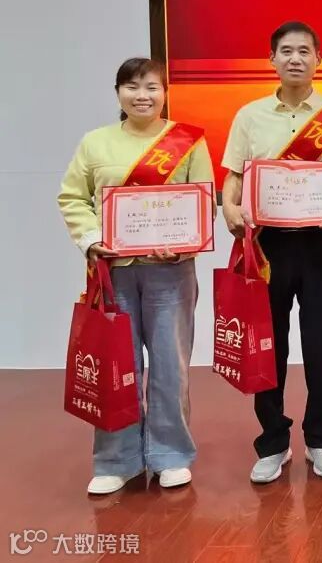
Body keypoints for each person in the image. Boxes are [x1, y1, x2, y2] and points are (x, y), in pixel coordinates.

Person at [220, 21, 322, 484]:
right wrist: (230, 207)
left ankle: (321, 438)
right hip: (269, 245)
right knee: (268, 345)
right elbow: (234, 175)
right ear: (272, 59)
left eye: (305, 51)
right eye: (286, 51)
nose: (295, 59)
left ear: (319, 59)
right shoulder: (250, 116)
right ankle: (272, 441)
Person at [58, 57, 213, 495]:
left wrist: (183, 244)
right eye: (132, 86)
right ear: (118, 93)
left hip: (171, 272)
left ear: (165, 93)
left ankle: (171, 455)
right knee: (116, 365)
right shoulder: (95, 143)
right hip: (113, 273)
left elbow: (203, 201)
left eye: (151, 87)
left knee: (169, 366)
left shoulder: (188, 141)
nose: (142, 95)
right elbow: (72, 197)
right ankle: (116, 460)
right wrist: (91, 239)